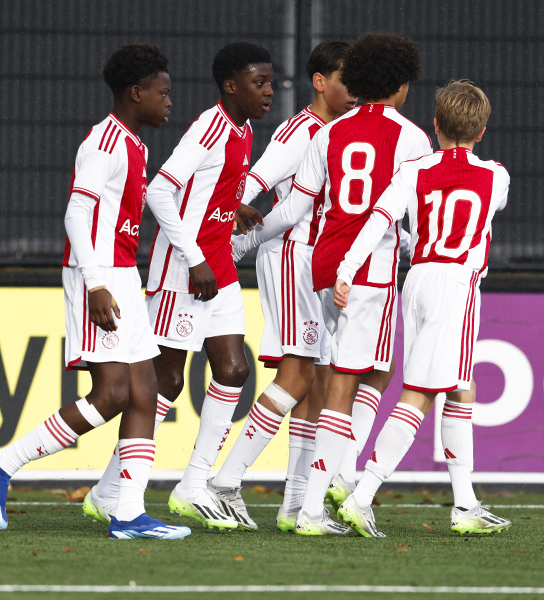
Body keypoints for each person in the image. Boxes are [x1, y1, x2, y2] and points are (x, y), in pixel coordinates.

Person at [0, 44, 208, 540]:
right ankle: (2, 461)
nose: (170, 101)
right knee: (113, 393)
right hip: (95, 275)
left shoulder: (136, 144)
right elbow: (76, 214)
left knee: (146, 392)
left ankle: (128, 514)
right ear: (136, 92)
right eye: (162, 93)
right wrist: (96, 283)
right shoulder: (104, 142)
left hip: (122, 274)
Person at [232, 32, 431, 535]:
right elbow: (400, 209)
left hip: (322, 263)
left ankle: (310, 495)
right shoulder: (411, 138)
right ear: (401, 83)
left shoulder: (330, 132)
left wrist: (240, 243)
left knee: (339, 377)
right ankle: (327, 493)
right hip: (370, 268)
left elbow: (296, 206)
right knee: (360, 378)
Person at [83, 42, 273, 531]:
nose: (269, 91)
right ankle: (109, 492)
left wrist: (233, 208)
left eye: (269, 82)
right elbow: (160, 190)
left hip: (218, 267)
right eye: (259, 83)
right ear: (230, 86)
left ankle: (193, 484)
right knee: (164, 382)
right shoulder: (210, 128)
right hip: (184, 271)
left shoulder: (244, 129)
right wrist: (194, 258)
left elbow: (206, 191)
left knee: (234, 370)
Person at [337, 80, 512, 537]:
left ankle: (465, 503)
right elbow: (488, 208)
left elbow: (380, 218)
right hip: (455, 283)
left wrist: (347, 267)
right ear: (482, 131)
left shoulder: (414, 170)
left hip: (415, 280)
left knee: (460, 387)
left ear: (435, 125)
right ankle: (361, 495)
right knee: (420, 392)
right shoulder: (496, 175)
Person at [206, 40, 356, 532]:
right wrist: (233, 240)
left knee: (316, 381)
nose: (354, 89)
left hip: (319, 262)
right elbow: (252, 185)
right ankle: (225, 481)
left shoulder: (343, 131)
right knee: (297, 375)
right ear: (320, 82)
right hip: (291, 256)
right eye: (346, 79)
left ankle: (295, 505)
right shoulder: (300, 131)